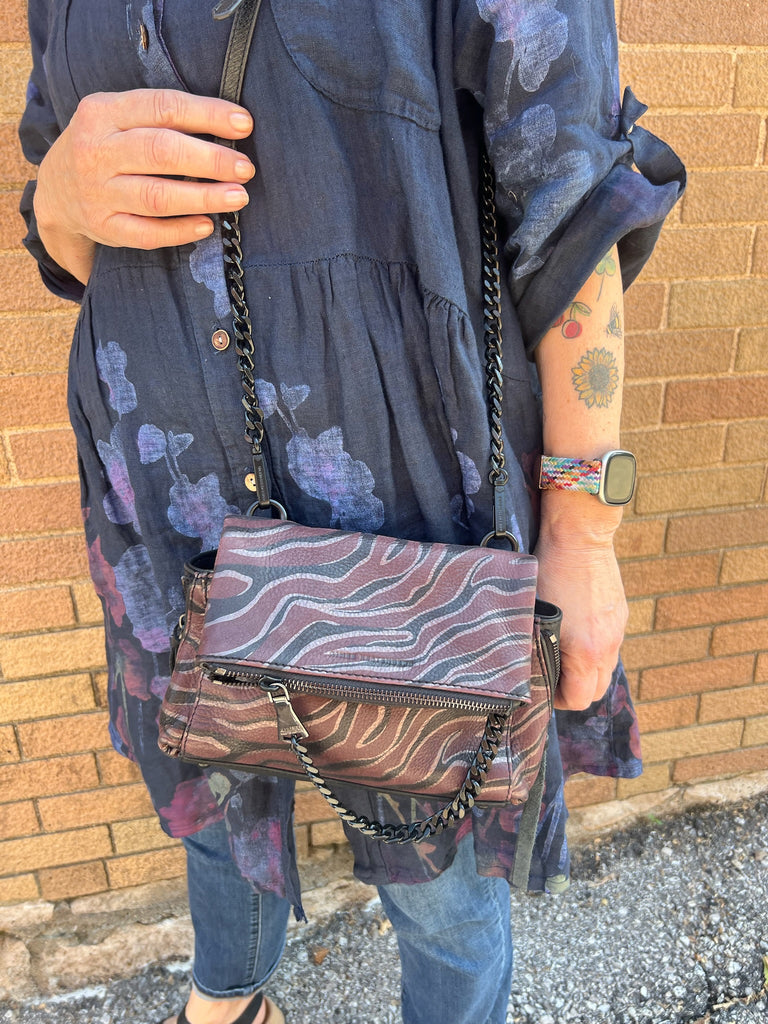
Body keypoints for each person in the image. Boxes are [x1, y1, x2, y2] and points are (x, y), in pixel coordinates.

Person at [19, 2, 684, 1022]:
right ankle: (230, 999)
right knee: (216, 793)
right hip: (161, 490)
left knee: (439, 874)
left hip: (412, 519)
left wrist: (586, 532)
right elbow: (70, 233)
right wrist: (59, 199)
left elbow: (573, 203)